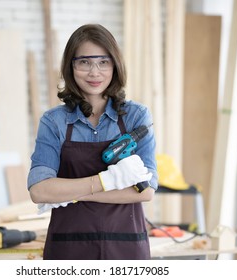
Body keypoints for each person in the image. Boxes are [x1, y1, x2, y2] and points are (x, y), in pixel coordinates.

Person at [27, 24, 158, 260]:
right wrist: (110, 182)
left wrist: (70, 194)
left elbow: (145, 191)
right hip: (68, 250)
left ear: (115, 65)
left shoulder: (137, 117)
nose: (94, 72)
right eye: (84, 62)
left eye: (103, 62)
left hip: (126, 250)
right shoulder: (54, 121)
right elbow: (39, 190)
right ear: (71, 66)